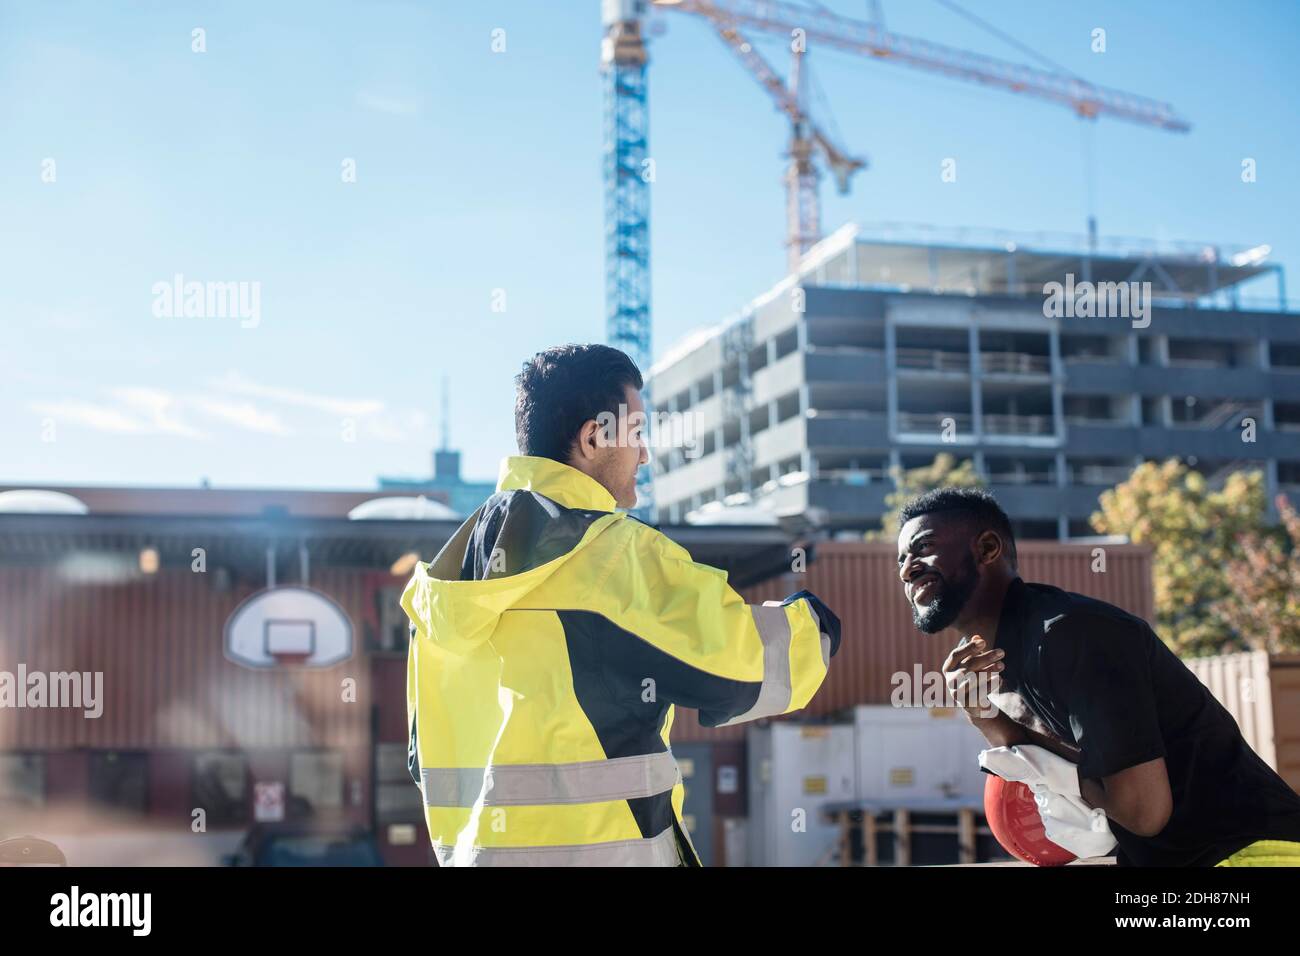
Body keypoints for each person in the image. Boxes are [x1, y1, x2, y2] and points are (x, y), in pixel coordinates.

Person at [402, 344, 841, 866]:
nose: (645, 455)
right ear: (593, 438)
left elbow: (419, 755)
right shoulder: (612, 556)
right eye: (636, 434)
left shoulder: (445, 578)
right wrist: (816, 621)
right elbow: (747, 671)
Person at [895, 485, 1300, 867]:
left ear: (987, 548)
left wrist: (1060, 773)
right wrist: (981, 712)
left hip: (1253, 854)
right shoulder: (1012, 652)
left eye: (923, 548)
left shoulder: (1072, 634)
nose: (907, 570)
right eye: (901, 559)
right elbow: (1026, 750)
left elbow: (1143, 813)